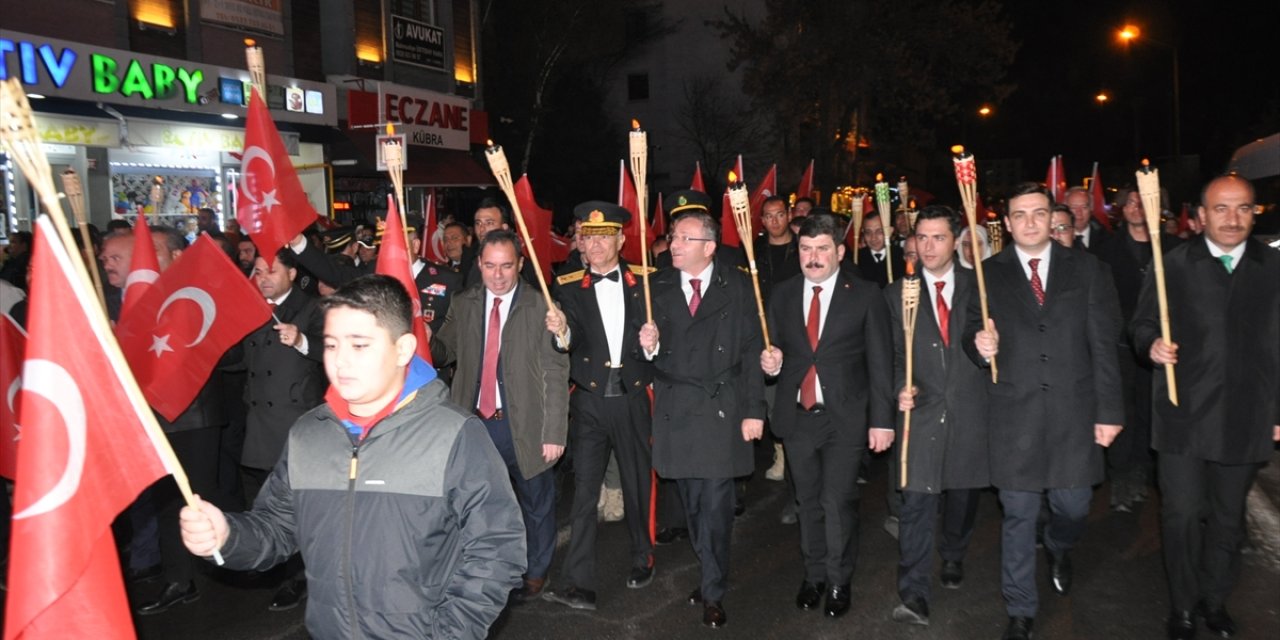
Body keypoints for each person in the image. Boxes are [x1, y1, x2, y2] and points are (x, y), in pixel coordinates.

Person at [179, 275, 526, 639]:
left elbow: (498, 549)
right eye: (330, 345)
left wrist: (450, 633)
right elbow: (276, 528)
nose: (341, 362)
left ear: (403, 349)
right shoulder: (308, 435)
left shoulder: (453, 434)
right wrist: (227, 536)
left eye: (359, 345)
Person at [966, 183, 1123, 640]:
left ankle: (1057, 545)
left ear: (1053, 219)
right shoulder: (986, 273)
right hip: (1014, 414)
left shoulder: (1088, 269)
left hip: (1074, 414)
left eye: (1038, 213)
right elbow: (972, 330)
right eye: (1020, 214)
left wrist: (1110, 411)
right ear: (1007, 222)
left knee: (1072, 506)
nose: (1030, 222)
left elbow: (1104, 346)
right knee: (1017, 514)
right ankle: (1020, 608)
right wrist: (978, 345)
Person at [1131, 174, 1280, 640]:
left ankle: (1214, 599)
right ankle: (1183, 606)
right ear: (1200, 215)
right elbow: (1140, 324)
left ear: (1256, 212)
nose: (1232, 219)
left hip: (1247, 413)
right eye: (1221, 208)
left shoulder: (1272, 267)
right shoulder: (1172, 263)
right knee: (1180, 514)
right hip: (1182, 413)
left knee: (1227, 518)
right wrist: (1151, 344)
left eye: (1242, 209)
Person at [760, 213, 893, 619]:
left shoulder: (866, 294)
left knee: (837, 500)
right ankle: (813, 574)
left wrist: (882, 420)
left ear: (838, 251)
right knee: (807, 500)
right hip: (798, 416)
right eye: (805, 249)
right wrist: (770, 364)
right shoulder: (782, 294)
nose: (812, 258)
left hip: (845, 417)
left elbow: (881, 362)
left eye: (821, 249)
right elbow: (773, 350)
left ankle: (838, 579)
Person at [639, 210, 766, 629]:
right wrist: (650, 346)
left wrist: (753, 411)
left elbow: (750, 352)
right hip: (677, 408)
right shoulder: (655, 286)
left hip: (721, 407)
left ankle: (713, 590)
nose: (673, 245)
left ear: (709, 247)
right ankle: (709, 567)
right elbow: (641, 355)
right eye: (673, 237)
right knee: (692, 505)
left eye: (684, 239)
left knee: (715, 506)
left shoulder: (740, 286)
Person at [429, 229, 569, 602]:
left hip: (522, 425)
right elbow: (442, 353)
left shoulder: (542, 307)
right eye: (490, 265)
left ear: (520, 264)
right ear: (479, 265)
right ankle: (480, 568)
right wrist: (420, 329)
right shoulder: (465, 302)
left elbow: (556, 372)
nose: (498, 274)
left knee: (535, 502)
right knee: (474, 504)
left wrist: (554, 431)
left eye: (507, 265)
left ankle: (536, 570)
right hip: (473, 424)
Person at [541, 202, 656, 611]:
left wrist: (653, 343)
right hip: (589, 401)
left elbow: (658, 342)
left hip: (631, 396)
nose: (594, 244)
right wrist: (561, 331)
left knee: (637, 483)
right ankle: (578, 582)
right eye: (588, 237)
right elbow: (566, 339)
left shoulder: (646, 281)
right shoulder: (567, 284)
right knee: (585, 493)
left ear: (621, 240)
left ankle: (643, 556)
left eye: (603, 236)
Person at [885, 206, 989, 626]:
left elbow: (984, 338)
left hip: (968, 409)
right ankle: (913, 593)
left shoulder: (978, 286)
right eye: (922, 238)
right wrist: (898, 388)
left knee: (963, 497)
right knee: (916, 504)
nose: (928, 247)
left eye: (938, 238)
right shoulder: (897, 293)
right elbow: (890, 354)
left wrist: (986, 349)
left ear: (956, 241)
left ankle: (954, 553)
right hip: (921, 412)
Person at [235, 249, 326, 610]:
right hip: (258, 424)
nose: (263, 277)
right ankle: (268, 558)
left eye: (271, 270)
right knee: (263, 501)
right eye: (257, 271)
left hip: (295, 422)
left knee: (296, 508)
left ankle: (298, 577)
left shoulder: (312, 308)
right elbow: (238, 360)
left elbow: (330, 349)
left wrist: (301, 340)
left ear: (291, 272)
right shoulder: (251, 308)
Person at [1099, 187, 1181, 512]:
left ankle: (1147, 473)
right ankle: (1122, 478)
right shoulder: (1105, 250)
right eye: (1130, 202)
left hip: (1161, 350)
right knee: (1123, 412)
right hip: (1119, 347)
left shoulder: (1175, 251)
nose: (1136, 208)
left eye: (1143, 202)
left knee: (1154, 411)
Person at [754, 195, 801, 485]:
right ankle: (780, 450)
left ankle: (795, 449)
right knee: (769, 394)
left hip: (794, 330)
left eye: (780, 214)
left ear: (788, 214)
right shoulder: (754, 249)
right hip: (763, 332)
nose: (775, 221)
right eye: (769, 216)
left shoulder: (801, 248)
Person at [856, 215, 905, 287]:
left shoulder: (902, 256)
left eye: (879, 231)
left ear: (890, 231)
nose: (873, 238)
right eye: (868, 232)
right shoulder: (856, 259)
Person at [1063, 186, 1109, 255]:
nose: (1079, 212)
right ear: (1065, 209)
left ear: (1091, 208)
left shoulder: (1107, 239)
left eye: (1084, 207)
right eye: (1073, 207)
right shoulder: (1057, 239)